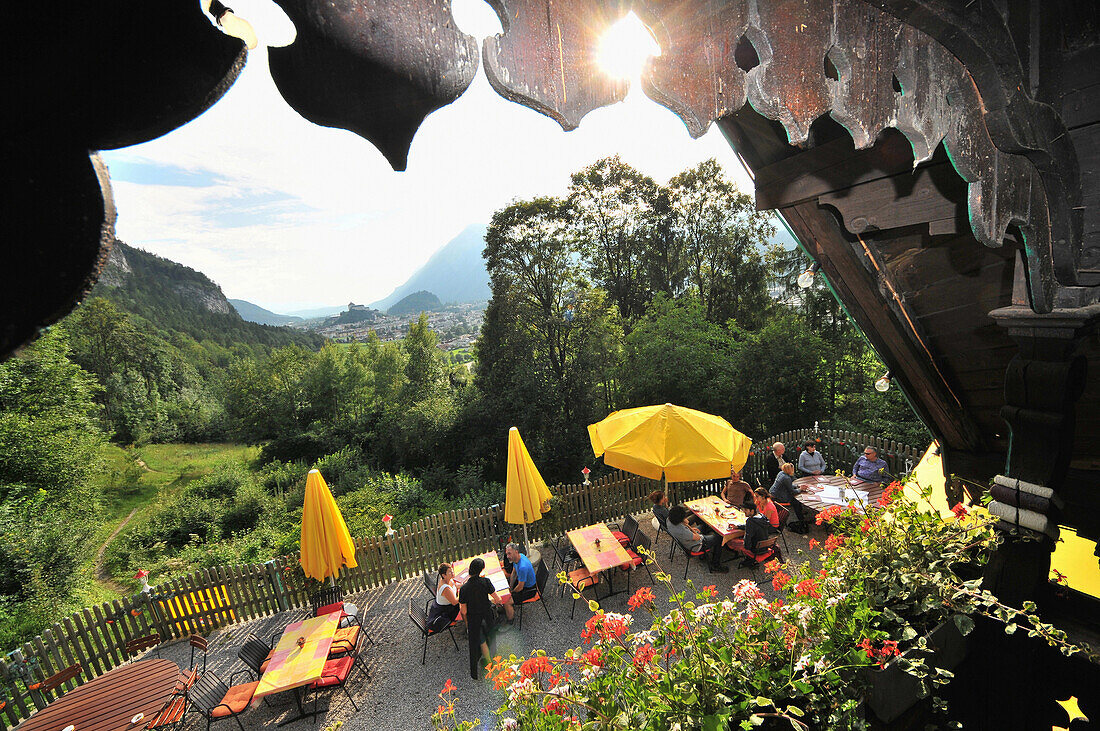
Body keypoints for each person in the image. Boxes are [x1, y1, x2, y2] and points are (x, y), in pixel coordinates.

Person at [458, 557, 503, 680]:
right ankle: (493, 662)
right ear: (481, 570)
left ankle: (478, 671)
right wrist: (492, 602)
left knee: (478, 641)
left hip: (474, 619)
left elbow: (463, 610)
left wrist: (467, 624)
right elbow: (497, 599)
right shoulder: (486, 582)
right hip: (487, 615)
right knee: (489, 637)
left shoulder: (463, 589)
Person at [667, 505, 729, 573]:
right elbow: (698, 537)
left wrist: (690, 528)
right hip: (698, 545)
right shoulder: (682, 531)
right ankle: (715, 564)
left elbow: (686, 526)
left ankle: (704, 555)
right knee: (720, 537)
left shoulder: (669, 520)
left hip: (688, 539)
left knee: (704, 526)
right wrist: (694, 531)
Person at [738, 492, 780, 567]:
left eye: (746, 510)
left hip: (756, 550)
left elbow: (748, 537)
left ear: (752, 511)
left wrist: (746, 548)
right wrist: (738, 527)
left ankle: (749, 560)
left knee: (733, 541)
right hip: (765, 547)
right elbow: (754, 527)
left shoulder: (750, 521)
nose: (744, 512)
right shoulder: (762, 516)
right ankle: (749, 560)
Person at [502, 543, 537, 620]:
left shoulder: (522, 567)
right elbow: (513, 573)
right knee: (505, 589)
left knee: (507, 602)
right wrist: (510, 587)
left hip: (529, 590)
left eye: (509, 553)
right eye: (507, 554)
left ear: (516, 552)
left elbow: (520, 587)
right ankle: (506, 609)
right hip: (522, 584)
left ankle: (510, 621)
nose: (507, 556)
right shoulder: (517, 558)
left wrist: (511, 593)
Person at [770, 462, 808, 532]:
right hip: (779, 497)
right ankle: (800, 518)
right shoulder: (786, 478)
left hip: (773, 493)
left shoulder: (781, 473)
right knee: (796, 500)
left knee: (797, 497)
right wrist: (800, 489)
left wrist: (798, 486)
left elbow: (788, 486)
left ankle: (800, 512)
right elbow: (792, 491)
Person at [426, 562, 460, 632]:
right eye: (450, 572)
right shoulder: (445, 588)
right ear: (444, 575)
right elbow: (454, 602)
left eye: (452, 571)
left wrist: (464, 585)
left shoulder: (447, 579)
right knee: (466, 601)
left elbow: (455, 586)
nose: (452, 573)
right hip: (447, 611)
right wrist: (465, 592)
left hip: (447, 606)